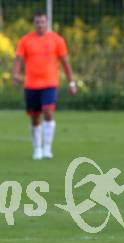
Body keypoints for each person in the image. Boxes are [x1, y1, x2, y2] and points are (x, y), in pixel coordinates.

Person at [13, 12, 77, 160]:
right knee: (35, 117)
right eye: (37, 22)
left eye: (42, 22)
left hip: (50, 83)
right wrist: (15, 74)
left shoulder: (57, 40)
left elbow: (65, 62)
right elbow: (18, 59)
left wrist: (71, 82)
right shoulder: (25, 40)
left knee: (48, 111)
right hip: (31, 84)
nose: (40, 25)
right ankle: (37, 149)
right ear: (33, 23)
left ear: (47, 23)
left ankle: (47, 148)